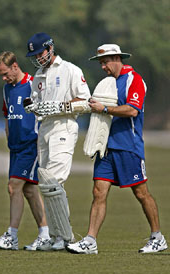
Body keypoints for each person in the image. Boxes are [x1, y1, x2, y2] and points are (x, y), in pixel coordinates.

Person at [66, 44, 168, 254]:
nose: (102, 66)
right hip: (106, 147)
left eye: (105, 62)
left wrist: (104, 108)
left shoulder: (134, 80)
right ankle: (90, 240)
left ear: (116, 58)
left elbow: (132, 110)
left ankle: (157, 237)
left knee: (141, 193)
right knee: (98, 192)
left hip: (128, 146)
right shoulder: (107, 83)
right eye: (100, 63)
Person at [24, 32, 91, 250]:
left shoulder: (70, 70)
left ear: (51, 48)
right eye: (34, 55)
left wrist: (61, 107)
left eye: (40, 52)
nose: (38, 58)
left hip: (64, 126)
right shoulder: (38, 75)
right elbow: (35, 101)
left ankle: (65, 236)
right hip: (44, 129)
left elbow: (86, 102)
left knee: (54, 182)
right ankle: (56, 237)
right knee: (46, 184)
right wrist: (31, 106)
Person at [0, 51, 51, 251]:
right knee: (29, 190)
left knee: (13, 186)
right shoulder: (7, 89)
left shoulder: (34, 85)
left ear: (15, 66)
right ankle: (45, 234)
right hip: (15, 147)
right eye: (1, 75)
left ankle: (11, 236)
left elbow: (45, 113)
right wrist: (8, 137)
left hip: (31, 145)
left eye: (6, 73)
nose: (4, 78)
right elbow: (8, 115)